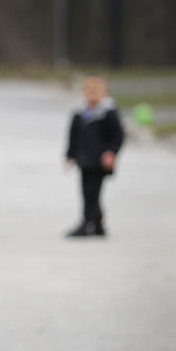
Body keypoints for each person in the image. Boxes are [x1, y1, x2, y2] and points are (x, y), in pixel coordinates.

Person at [64, 75, 125, 237]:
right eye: (88, 92)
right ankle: (96, 223)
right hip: (84, 160)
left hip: (100, 161)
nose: (92, 96)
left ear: (103, 93)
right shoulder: (80, 113)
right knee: (86, 192)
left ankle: (88, 222)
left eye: (95, 92)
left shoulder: (108, 113)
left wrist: (111, 152)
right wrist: (69, 156)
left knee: (94, 192)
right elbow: (73, 137)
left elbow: (117, 136)